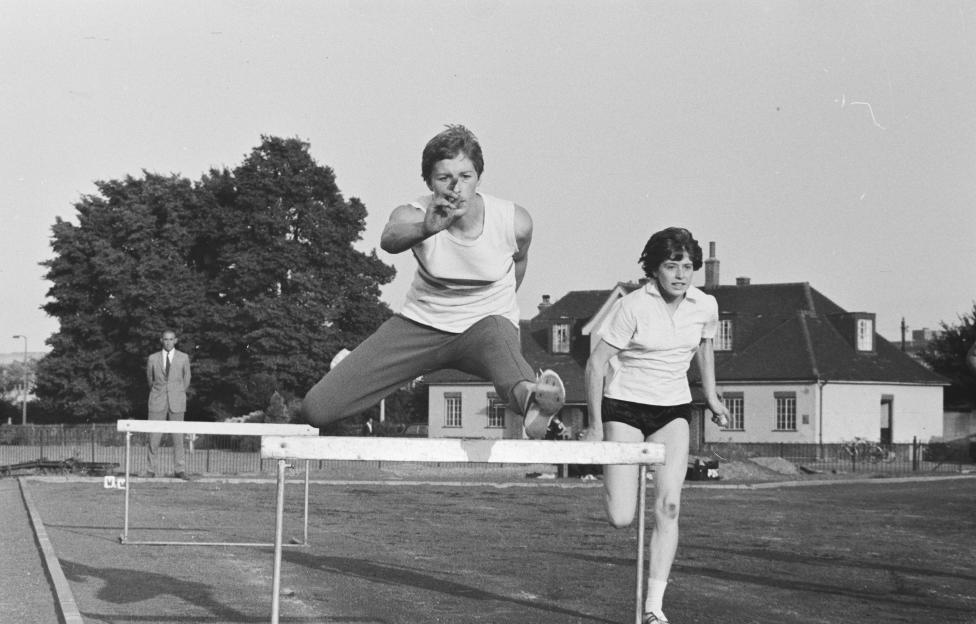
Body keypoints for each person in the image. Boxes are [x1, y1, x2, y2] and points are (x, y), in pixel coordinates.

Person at [302, 125, 564, 438]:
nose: (456, 188)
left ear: (478, 177)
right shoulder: (415, 213)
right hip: (421, 326)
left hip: (485, 328)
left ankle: (534, 401)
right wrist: (426, 228)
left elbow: (518, 263)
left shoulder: (514, 222)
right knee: (316, 409)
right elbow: (390, 238)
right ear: (429, 182)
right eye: (444, 178)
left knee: (499, 336)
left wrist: (500, 308)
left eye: (465, 176)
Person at [582, 227, 730, 624]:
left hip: (673, 411)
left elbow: (705, 347)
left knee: (669, 506)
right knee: (621, 517)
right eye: (671, 266)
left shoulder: (705, 305)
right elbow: (595, 364)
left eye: (687, 267)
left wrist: (711, 397)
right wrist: (595, 426)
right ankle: (614, 482)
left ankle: (653, 608)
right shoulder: (632, 306)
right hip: (625, 408)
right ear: (654, 269)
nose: (681, 275)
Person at [146, 329, 192, 479]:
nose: (168, 342)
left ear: (175, 341)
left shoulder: (183, 357)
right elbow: (150, 380)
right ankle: (150, 470)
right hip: (157, 401)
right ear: (161, 340)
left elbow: (187, 379)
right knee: (154, 438)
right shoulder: (152, 358)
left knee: (178, 439)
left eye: (171, 339)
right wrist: (159, 392)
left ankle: (180, 470)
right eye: (165, 339)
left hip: (177, 401)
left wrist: (177, 392)